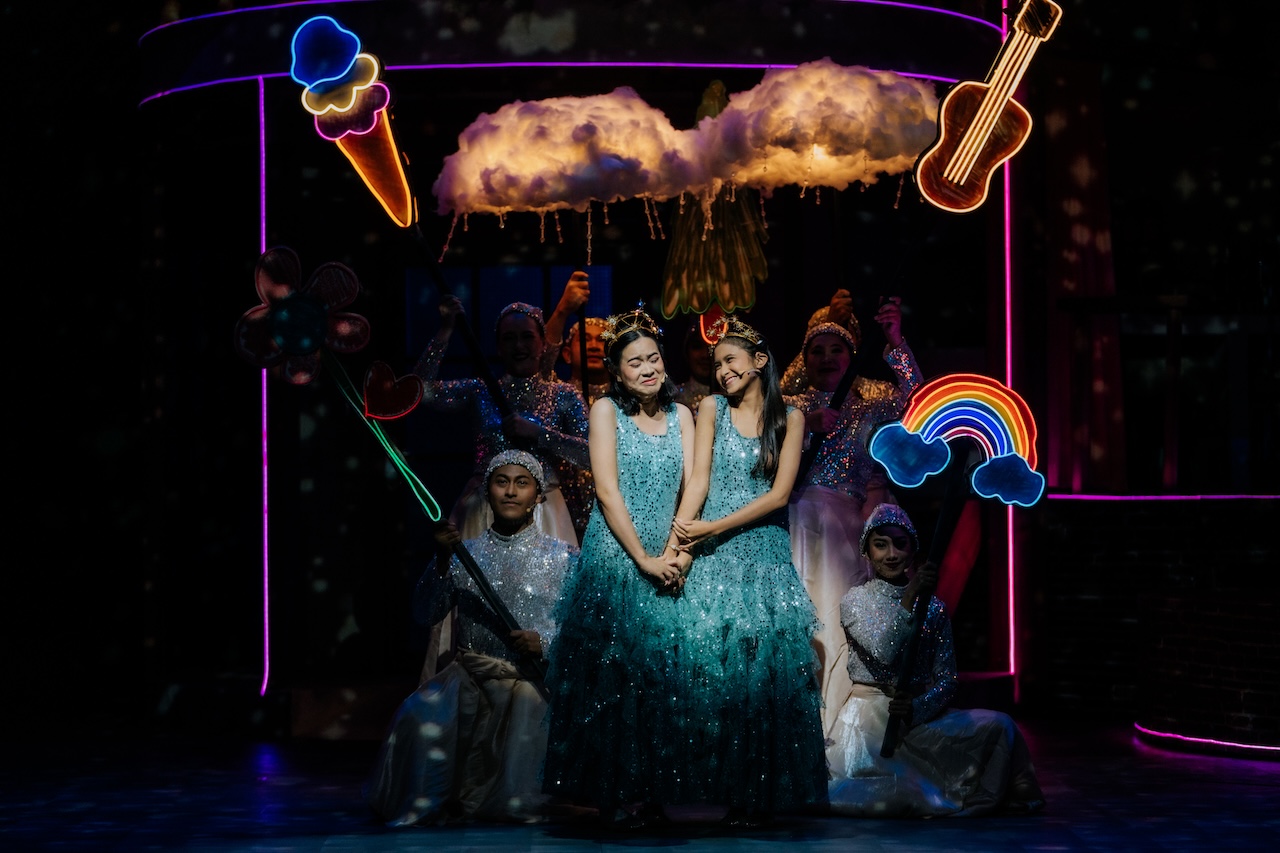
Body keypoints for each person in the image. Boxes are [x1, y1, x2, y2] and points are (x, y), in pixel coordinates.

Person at [669, 314, 828, 827]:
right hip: (716, 559)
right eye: (716, 364)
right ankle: (728, 789)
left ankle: (764, 792)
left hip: (763, 555)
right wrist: (682, 538)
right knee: (720, 674)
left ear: (760, 361)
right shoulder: (711, 408)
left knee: (764, 676)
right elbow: (699, 479)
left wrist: (712, 527)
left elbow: (779, 496)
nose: (721, 372)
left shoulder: (791, 417)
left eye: (730, 360)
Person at [541, 307, 695, 829]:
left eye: (654, 357)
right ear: (616, 370)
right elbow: (607, 492)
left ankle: (652, 790)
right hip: (616, 555)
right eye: (635, 362)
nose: (648, 368)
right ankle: (611, 792)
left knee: (659, 678)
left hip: (667, 552)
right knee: (612, 677)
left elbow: (691, 488)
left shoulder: (683, 415)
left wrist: (675, 551)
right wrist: (643, 559)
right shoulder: (605, 411)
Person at [364, 451, 579, 825]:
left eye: (522, 483)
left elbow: (581, 629)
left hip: (529, 682)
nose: (510, 491)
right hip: (469, 680)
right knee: (416, 718)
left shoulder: (565, 558)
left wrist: (544, 641)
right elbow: (425, 613)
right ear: (486, 492)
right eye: (501, 482)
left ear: (537, 496)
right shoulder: (465, 553)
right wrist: (441, 560)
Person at [827, 503, 1045, 817]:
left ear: (913, 550)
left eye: (900, 544)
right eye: (881, 544)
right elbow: (884, 651)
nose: (891, 554)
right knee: (896, 792)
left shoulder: (934, 608)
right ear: (867, 552)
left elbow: (947, 679)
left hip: (914, 718)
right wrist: (909, 597)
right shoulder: (855, 600)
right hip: (868, 724)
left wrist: (917, 708)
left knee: (1001, 726)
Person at [785, 295, 923, 743]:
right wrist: (803, 423)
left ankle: (832, 731)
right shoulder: (788, 406)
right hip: (794, 523)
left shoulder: (869, 405)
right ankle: (794, 730)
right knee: (797, 623)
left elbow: (916, 400)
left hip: (844, 529)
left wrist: (895, 342)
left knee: (838, 620)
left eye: (836, 350)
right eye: (817, 351)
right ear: (803, 359)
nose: (827, 358)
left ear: (851, 356)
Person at [413, 293, 589, 547]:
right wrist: (445, 330)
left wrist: (539, 434)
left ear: (543, 343)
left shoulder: (564, 395)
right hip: (484, 510)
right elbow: (421, 391)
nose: (519, 346)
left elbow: (591, 455)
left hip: (544, 511)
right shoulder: (481, 390)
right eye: (509, 338)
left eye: (527, 337)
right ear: (498, 347)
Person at [673, 322, 715, 415]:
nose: (705, 355)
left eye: (711, 347)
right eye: (697, 346)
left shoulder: (734, 397)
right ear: (686, 352)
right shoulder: (673, 398)